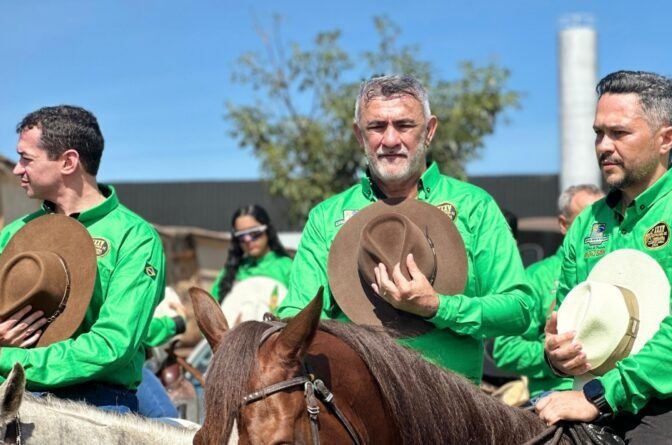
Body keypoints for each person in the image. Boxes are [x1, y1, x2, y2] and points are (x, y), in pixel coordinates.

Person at [277, 74, 534, 384]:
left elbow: (520, 309)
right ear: (359, 135)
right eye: (376, 127)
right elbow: (296, 313)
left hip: (452, 412)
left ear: (429, 131)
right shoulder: (325, 218)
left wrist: (439, 306)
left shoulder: (474, 206)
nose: (389, 140)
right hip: (359, 418)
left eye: (404, 125)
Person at [536, 71, 672, 443]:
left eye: (619, 133)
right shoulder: (587, 222)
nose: (603, 146)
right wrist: (556, 353)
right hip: (595, 394)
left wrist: (600, 396)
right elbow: (568, 319)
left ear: (666, 139)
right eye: (598, 133)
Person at [0, 105, 166, 413]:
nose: (17, 169)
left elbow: (112, 344)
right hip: (12, 399)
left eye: (26, 158)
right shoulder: (12, 234)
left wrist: (6, 357)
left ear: (68, 161)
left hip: (98, 407)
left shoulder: (135, 237)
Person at [492, 184, 603, 399]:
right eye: (585, 221)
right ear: (563, 224)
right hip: (555, 395)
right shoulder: (535, 278)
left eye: (603, 222)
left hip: (611, 394)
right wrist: (551, 355)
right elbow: (505, 349)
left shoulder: (619, 267)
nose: (596, 230)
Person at [209, 204, 293, 302]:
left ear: (268, 231)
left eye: (254, 233)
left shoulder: (287, 267)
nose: (248, 240)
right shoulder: (229, 272)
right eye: (241, 236)